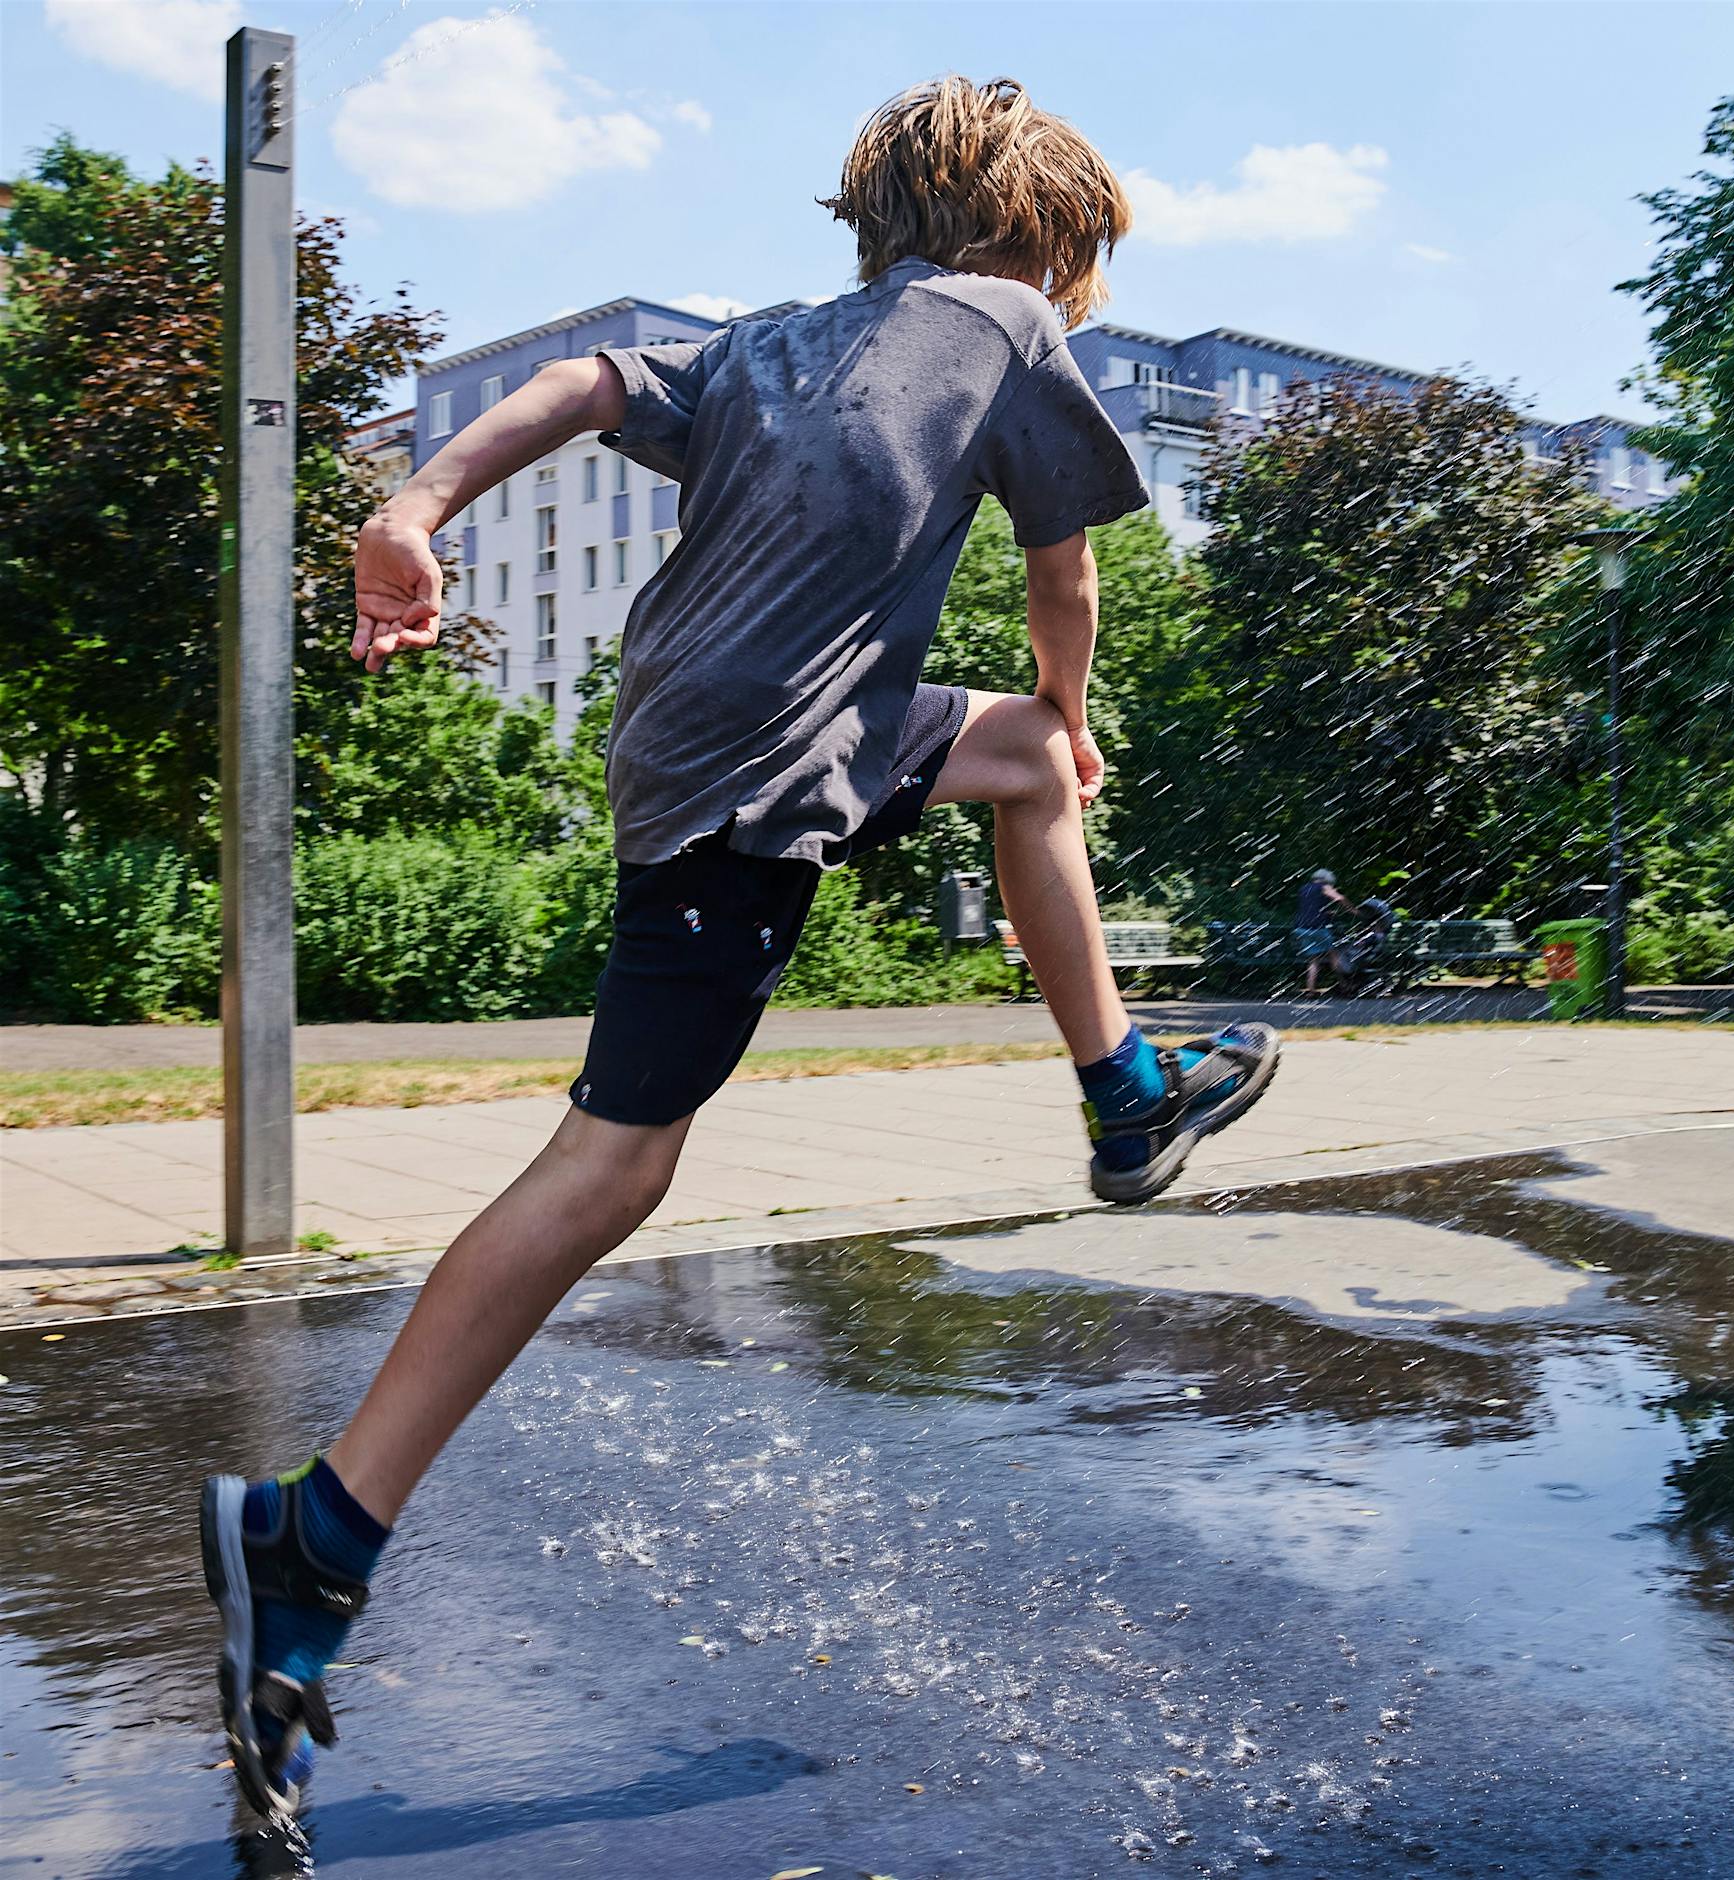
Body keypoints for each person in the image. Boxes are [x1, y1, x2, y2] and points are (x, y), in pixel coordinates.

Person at [198, 76, 1282, 1819]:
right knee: (608, 1170)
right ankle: (314, 1535)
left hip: (746, 729)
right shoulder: (1007, 322)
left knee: (1007, 759)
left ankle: (1126, 1092)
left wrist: (420, 504)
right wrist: (1078, 707)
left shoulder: (780, 341)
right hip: (751, 771)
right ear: (1044, 232)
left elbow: (578, 381)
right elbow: (1063, 577)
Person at [1294, 867, 1351, 995]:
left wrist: (1326, 913)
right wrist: (1352, 910)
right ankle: (1345, 985)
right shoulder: (1324, 886)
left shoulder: (1304, 888)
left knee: (1314, 960)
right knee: (1334, 956)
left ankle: (1311, 990)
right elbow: (1340, 898)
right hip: (1317, 928)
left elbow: (1310, 908)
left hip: (1301, 927)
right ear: (1327, 880)